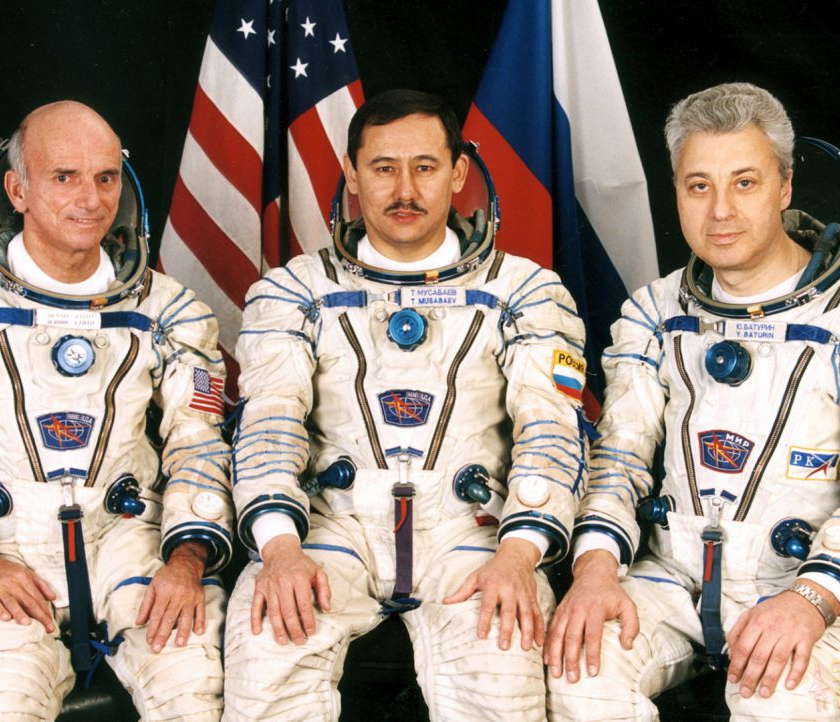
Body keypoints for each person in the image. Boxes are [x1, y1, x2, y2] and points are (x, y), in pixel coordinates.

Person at [545, 82, 840, 721]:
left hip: (814, 591)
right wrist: (598, 568)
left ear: (785, 187)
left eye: (744, 182)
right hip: (675, 581)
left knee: (782, 699)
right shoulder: (655, 313)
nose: (720, 211)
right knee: (579, 669)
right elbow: (618, 462)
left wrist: (812, 599)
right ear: (678, 193)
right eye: (698, 185)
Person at [221, 89, 587, 721]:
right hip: (331, 529)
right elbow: (268, 423)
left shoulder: (525, 292)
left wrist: (519, 553)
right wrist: (279, 547)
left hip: (474, 536)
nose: (405, 189)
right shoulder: (293, 291)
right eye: (384, 168)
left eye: (425, 166)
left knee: (503, 678)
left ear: (458, 173)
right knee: (264, 652)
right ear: (353, 176)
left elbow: (550, 430)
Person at [0, 101, 232, 721]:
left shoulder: (171, 309)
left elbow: (199, 444)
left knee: (198, 698)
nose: (91, 199)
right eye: (64, 177)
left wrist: (187, 559)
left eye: (106, 177)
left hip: (132, 544)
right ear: (17, 189)